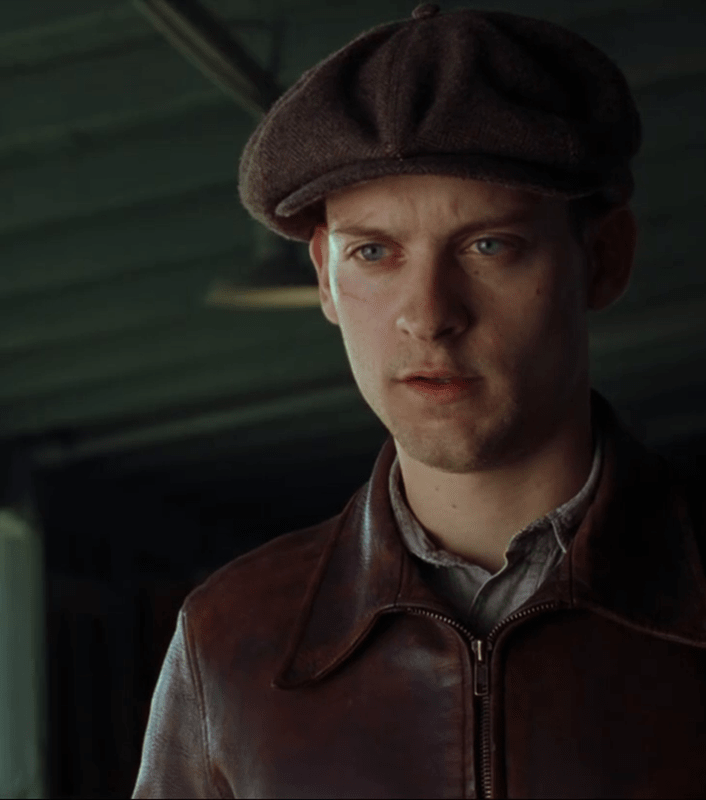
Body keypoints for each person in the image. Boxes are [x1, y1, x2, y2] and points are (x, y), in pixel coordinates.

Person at [134, 4, 706, 798]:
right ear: (325, 280)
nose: (429, 313)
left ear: (604, 259)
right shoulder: (230, 641)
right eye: (374, 252)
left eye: (488, 245)